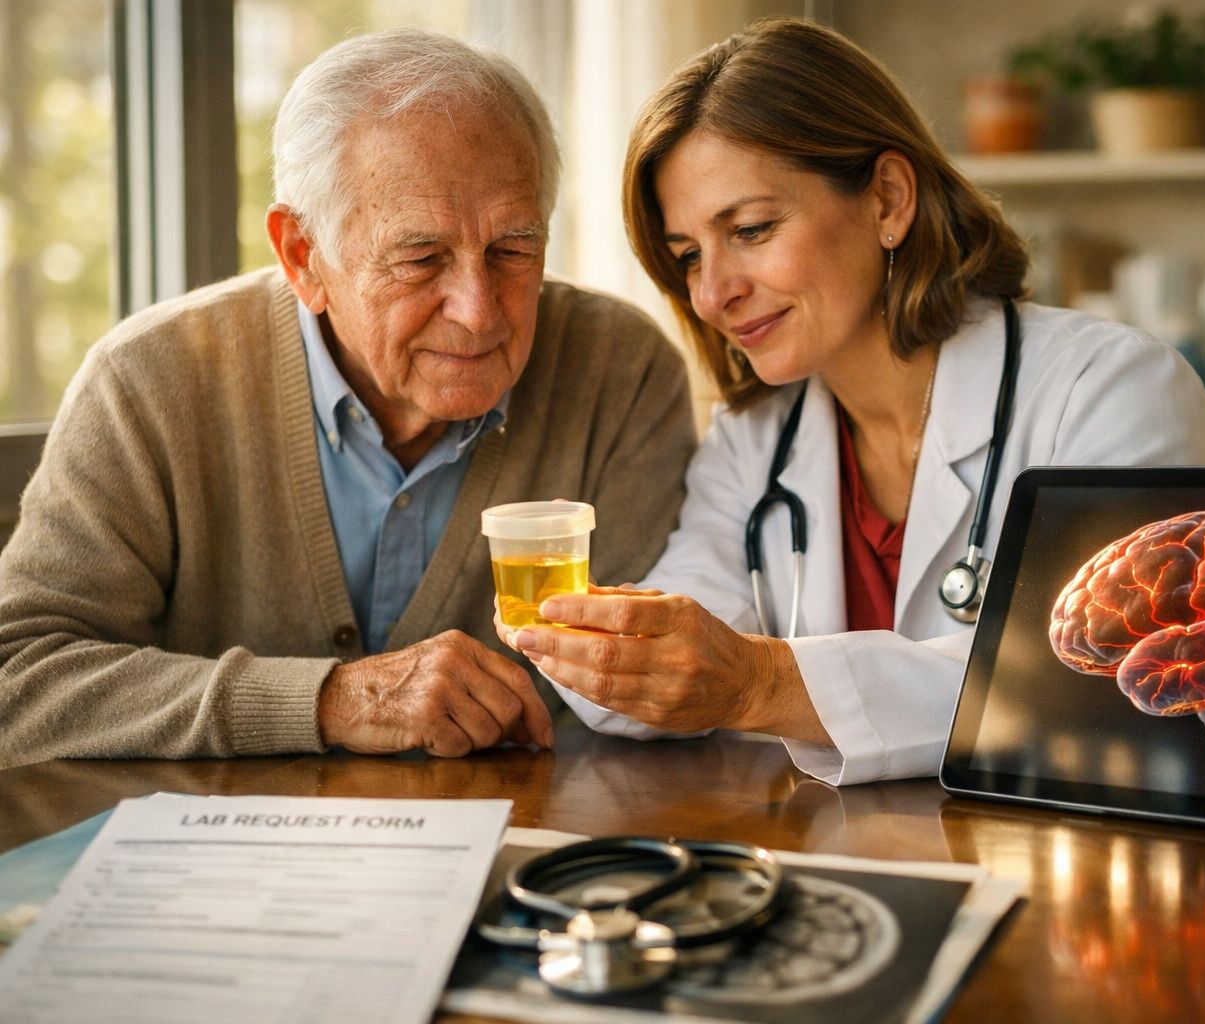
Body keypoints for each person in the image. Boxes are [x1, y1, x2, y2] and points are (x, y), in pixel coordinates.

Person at [498, 17, 1205, 786]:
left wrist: (762, 684)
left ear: (887, 200)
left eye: (751, 229)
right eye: (688, 256)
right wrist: (596, 642)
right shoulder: (754, 440)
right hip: (841, 850)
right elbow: (678, 650)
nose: (712, 293)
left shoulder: (1110, 392)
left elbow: (1110, 680)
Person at [0, 29, 695, 769]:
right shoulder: (148, 381)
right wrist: (332, 700)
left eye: (512, 250)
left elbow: (658, 699)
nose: (479, 311)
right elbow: (19, 680)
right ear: (303, 256)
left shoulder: (621, 373)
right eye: (420, 258)